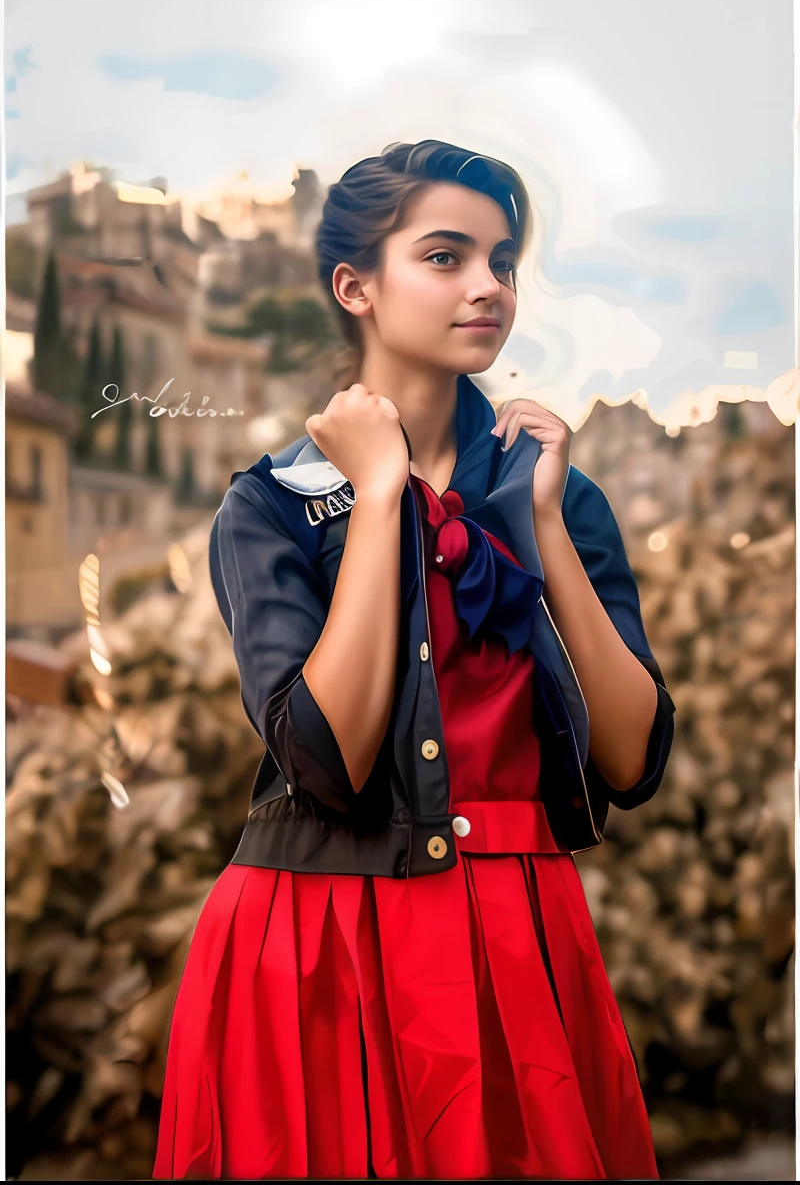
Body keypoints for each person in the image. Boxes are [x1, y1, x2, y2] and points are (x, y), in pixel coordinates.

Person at [153, 139, 675, 1181]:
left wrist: (544, 527)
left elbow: (629, 760)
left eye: (503, 259)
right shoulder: (269, 509)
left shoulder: (559, 495)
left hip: (520, 946)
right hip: (320, 944)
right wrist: (381, 494)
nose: (487, 286)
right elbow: (328, 762)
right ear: (355, 286)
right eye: (445, 256)